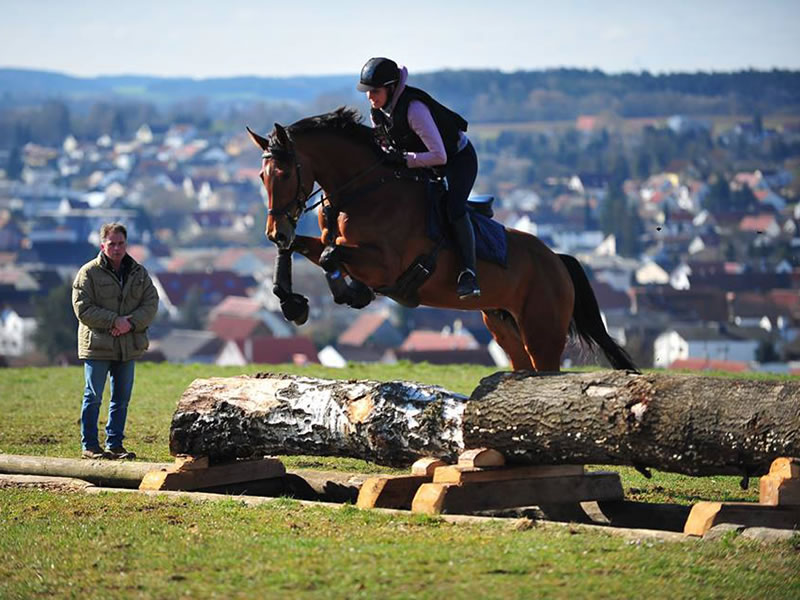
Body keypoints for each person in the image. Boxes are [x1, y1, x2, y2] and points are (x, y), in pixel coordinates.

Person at [357, 57, 481, 299]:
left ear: (392, 88)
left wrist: (403, 159)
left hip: (457, 160)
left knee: (453, 207)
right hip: (424, 161)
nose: (371, 97)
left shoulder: (414, 110)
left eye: (375, 91)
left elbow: (439, 156)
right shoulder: (378, 112)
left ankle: (469, 272)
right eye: (368, 92)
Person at [72, 223, 159, 459]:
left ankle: (115, 444)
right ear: (103, 245)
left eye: (121, 243)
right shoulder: (88, 273)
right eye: (112, 244)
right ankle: (90, 446)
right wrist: (114, 321)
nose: (117, 248)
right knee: (93, 396)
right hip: (98, 345)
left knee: (121, 399)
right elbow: (83, 309)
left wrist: (129, 324)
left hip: (127, 346)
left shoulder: (139, 273)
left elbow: (151, 303)